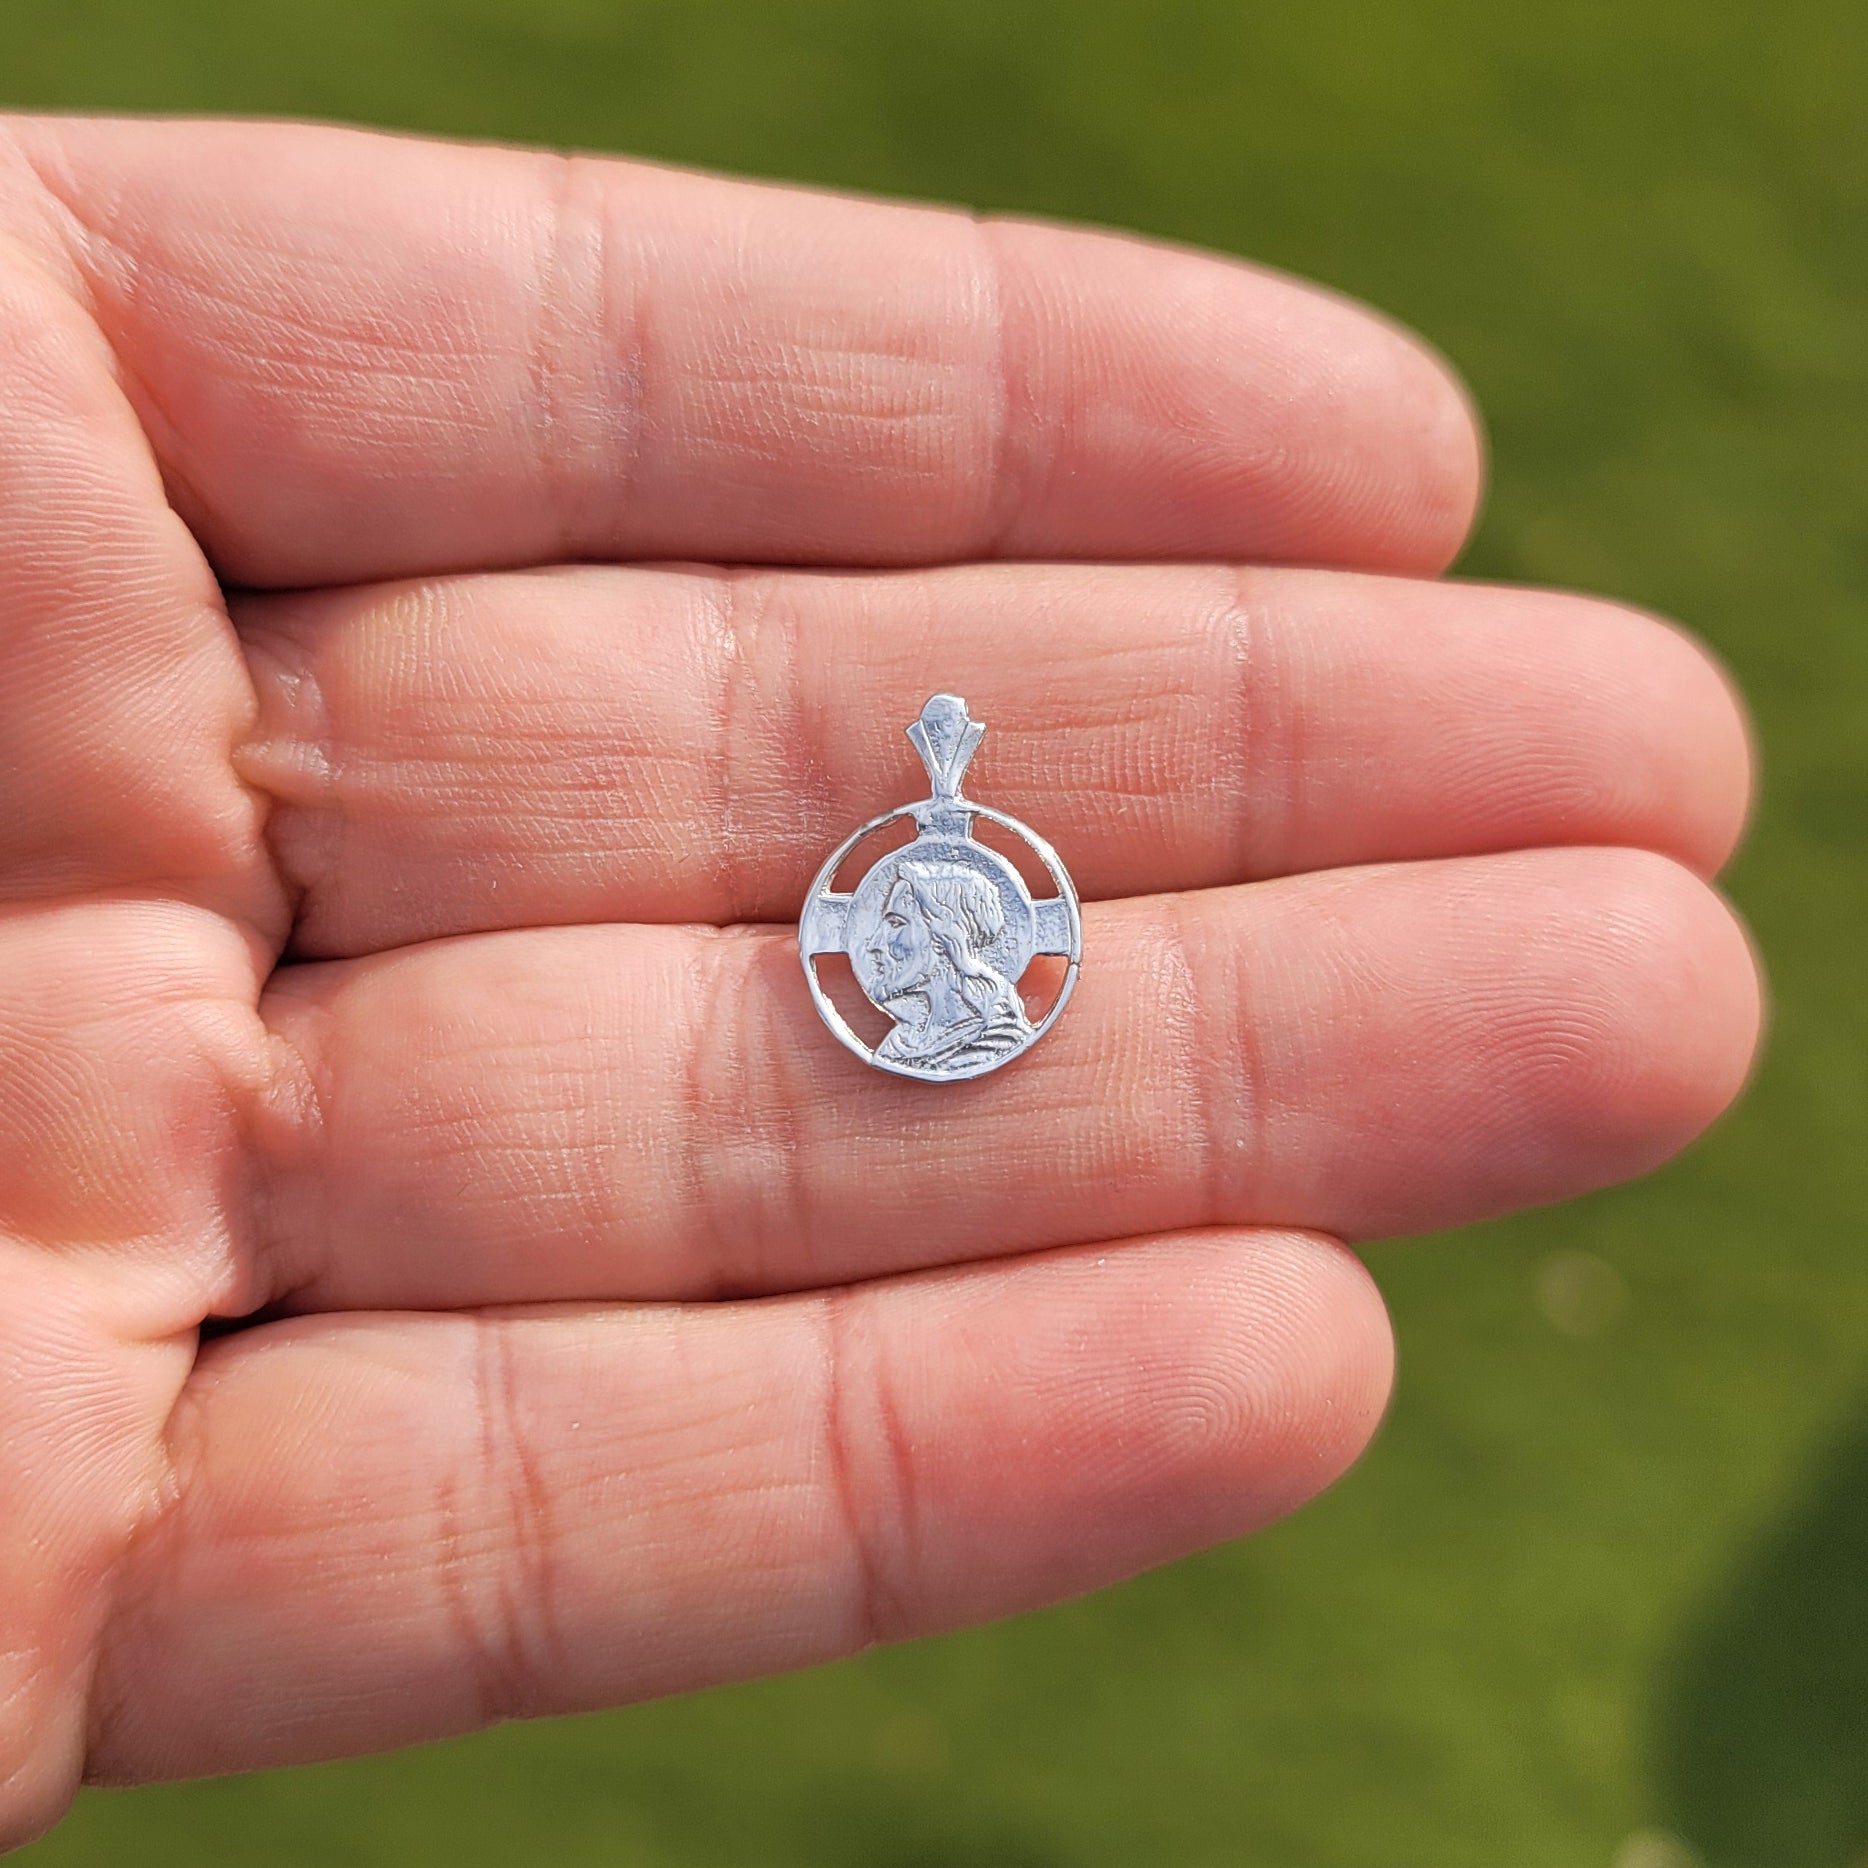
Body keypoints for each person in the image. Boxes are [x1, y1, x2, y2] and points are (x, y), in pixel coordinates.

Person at [0, 114, 1759, 1846]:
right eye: (902, 927)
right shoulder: (893, 942)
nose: (912, 940)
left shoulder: (961, 954)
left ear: (969, 938)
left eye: (930, 927)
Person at [866, 860, 1035, 1071]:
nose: (874, 944)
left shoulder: (993, 1042)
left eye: (896, 923)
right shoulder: (900, 1044)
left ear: (943, 938)